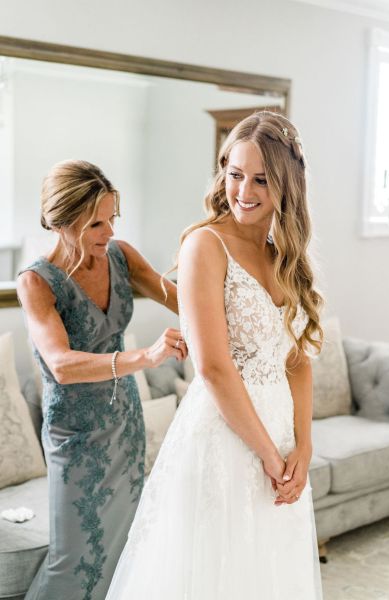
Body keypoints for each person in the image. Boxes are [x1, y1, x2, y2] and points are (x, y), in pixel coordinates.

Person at [106, 111, 324, 599]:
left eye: (262, 180)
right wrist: (269, 455)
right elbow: (212, 366)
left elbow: (296, 361)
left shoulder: (282, 255)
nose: (244, 191)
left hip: (283, 444)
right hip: (225, 441)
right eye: (235, 174)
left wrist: (302, 449)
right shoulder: (204, 245)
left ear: (287, 185)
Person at [17, 160, 187, 600]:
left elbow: (183, 302)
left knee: (125, 545)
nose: (108, 231)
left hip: (125, 425)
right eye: (96, 222)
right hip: (76, 436)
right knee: (72, 559)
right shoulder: (37, 281)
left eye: (112, 218)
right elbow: (61, 364)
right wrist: (145, 356)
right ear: (62, 221)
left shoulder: (121, 255)